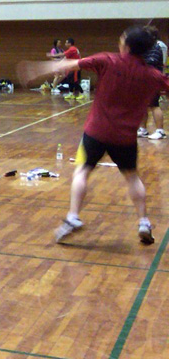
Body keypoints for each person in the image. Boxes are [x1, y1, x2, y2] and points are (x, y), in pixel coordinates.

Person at [23, 27, 169, 245]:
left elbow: (69, 64)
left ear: (126, 46)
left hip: (96, 132)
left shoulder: (107, 60)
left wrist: (37, 70)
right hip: (125, 138)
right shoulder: (152, 75)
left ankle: (73, 216)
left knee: (82, 170)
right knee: (131, 177)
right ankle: (143, 222)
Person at [138, 26, 166, 140]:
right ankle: (143, 129)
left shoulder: (155, 46)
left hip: (152, 79)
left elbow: (152, 61)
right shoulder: (146, 47)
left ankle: (160, 131)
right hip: (143, 79)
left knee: (154, 105)